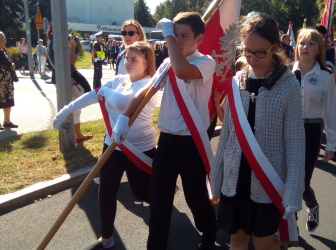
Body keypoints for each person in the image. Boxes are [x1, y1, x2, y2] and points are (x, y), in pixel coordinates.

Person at [113, 12, 217, 250]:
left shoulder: (206, 62)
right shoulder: (170, 61)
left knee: (195, 199)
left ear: (199, 39)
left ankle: (209, 229)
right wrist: (123, 119)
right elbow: (145, 91)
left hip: (192, 144)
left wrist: (168, 36)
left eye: (184, 36)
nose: (178, 40)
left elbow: (183, 71)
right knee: (159, 202)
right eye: (175, 35)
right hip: (167, 142)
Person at [210, 13, 305, 249]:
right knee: (237, 239)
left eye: (260, 52)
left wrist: (293, 190)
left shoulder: (289, 85)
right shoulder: (237, 81)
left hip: (268, 178)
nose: (251, 58)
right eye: (246, 51)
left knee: (263, 243)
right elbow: (228, 134)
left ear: (275, 47)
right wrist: (216, 175)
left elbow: (295, 142)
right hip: (236, 177)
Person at [53, 41, 157, 249]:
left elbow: (123, 102)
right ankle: (106, 237)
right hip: (112, 146)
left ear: (146, 63)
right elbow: (93, 95)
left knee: (142, 192)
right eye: (126, 58)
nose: (127, 62)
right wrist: (67, 110)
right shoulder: (120, 80)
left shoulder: (150, 84)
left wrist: (106, 93)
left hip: (139, 149)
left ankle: (160, 217)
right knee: (106, 190)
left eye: (134, 59)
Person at [292, 28, 336, 232]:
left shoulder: (325, 76)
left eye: (311, 43)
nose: (305, 47)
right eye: (302, 42)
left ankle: (312, 205)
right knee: (286, 179)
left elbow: (329, 112)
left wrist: (331, 144)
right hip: (288, 129)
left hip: (311, 131)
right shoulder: (286, 73)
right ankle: (290, 227)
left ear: (319, 48)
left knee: (301, 182)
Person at [68, 34, 93, 143]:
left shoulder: (54, 43)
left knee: (75, 108)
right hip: (70, 79)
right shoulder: (61, 46)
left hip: (68, 77)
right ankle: (78, 136)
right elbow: (72, 61)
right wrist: (72, 47)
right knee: (76, 108)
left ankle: (77, 134)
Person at [0, 31, 18, 129]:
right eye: (4, 39)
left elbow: (8, 63)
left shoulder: (3, 51)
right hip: (1, 82)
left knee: (7, 101)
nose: (5, 41)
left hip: (7, 82)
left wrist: (11, 65)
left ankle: (7, 121)